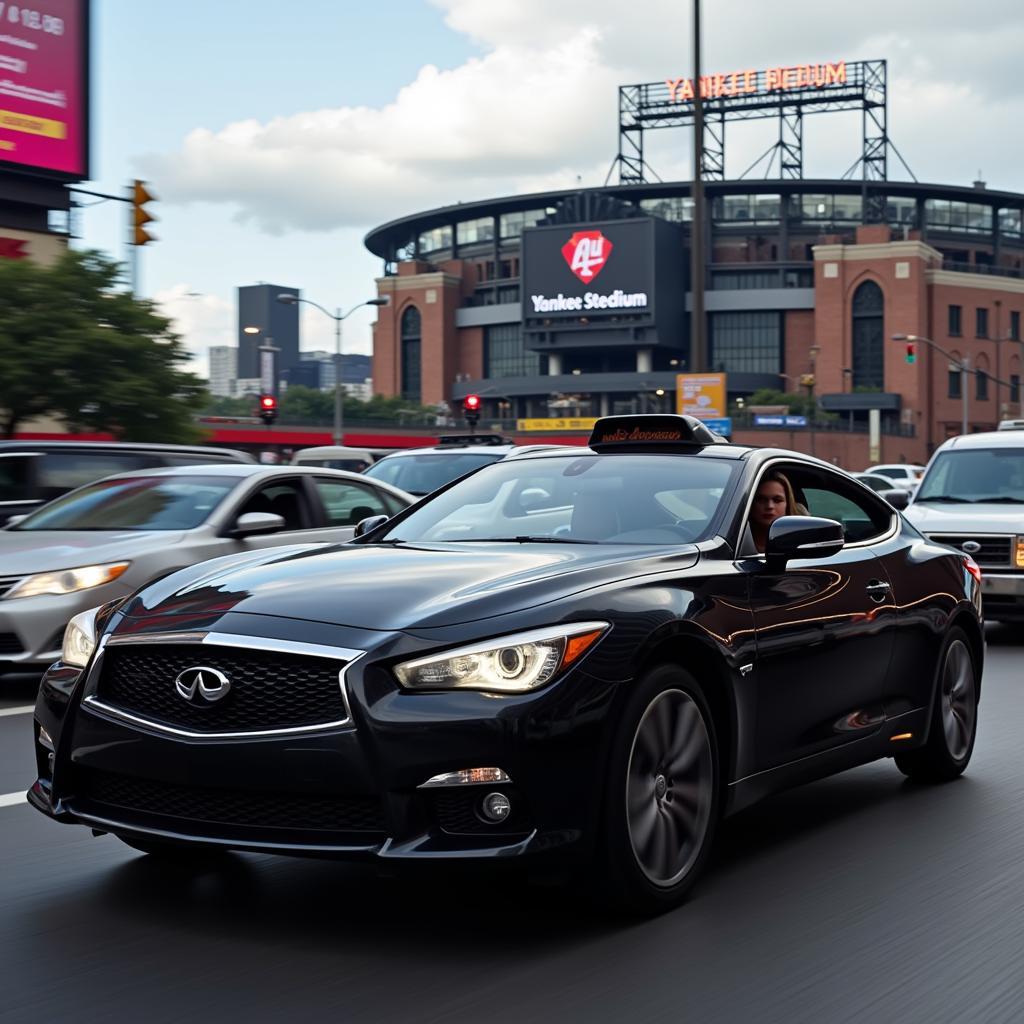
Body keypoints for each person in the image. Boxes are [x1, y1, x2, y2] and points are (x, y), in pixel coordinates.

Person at [749, 470, 799, 553]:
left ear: (788, 504)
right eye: (761, 499)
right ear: (750, 503)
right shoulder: (734, 541)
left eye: (777, 500)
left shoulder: (798, 543)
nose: (769, 506)